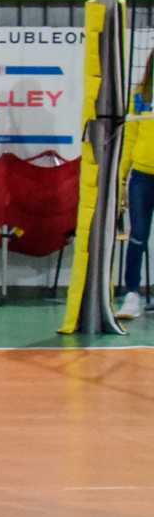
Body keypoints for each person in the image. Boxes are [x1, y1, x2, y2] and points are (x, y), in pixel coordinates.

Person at [120, 48, 154, 320]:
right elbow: (130, 137)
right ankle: (132, 295)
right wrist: (120, 178)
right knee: (138, 235)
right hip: (142, 177)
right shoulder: (141, 97)